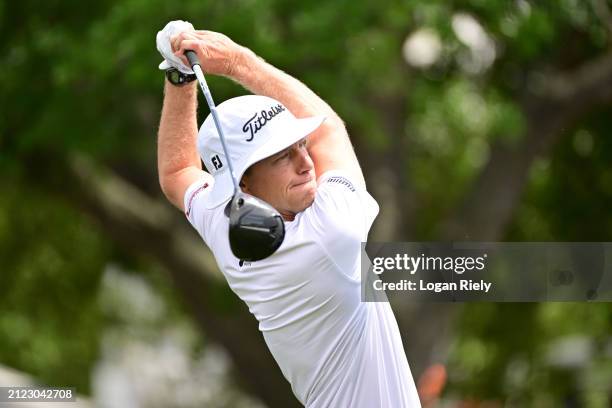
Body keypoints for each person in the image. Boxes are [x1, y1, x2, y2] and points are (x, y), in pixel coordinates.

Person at [156, 21, 421, 407]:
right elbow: (328, 132)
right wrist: (238, 62)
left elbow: (178, 171)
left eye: (300, 144)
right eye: (282, 156)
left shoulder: (226, 224)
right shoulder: (332, 231)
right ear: (244, 184)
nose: (305, 162)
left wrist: (179, 78)